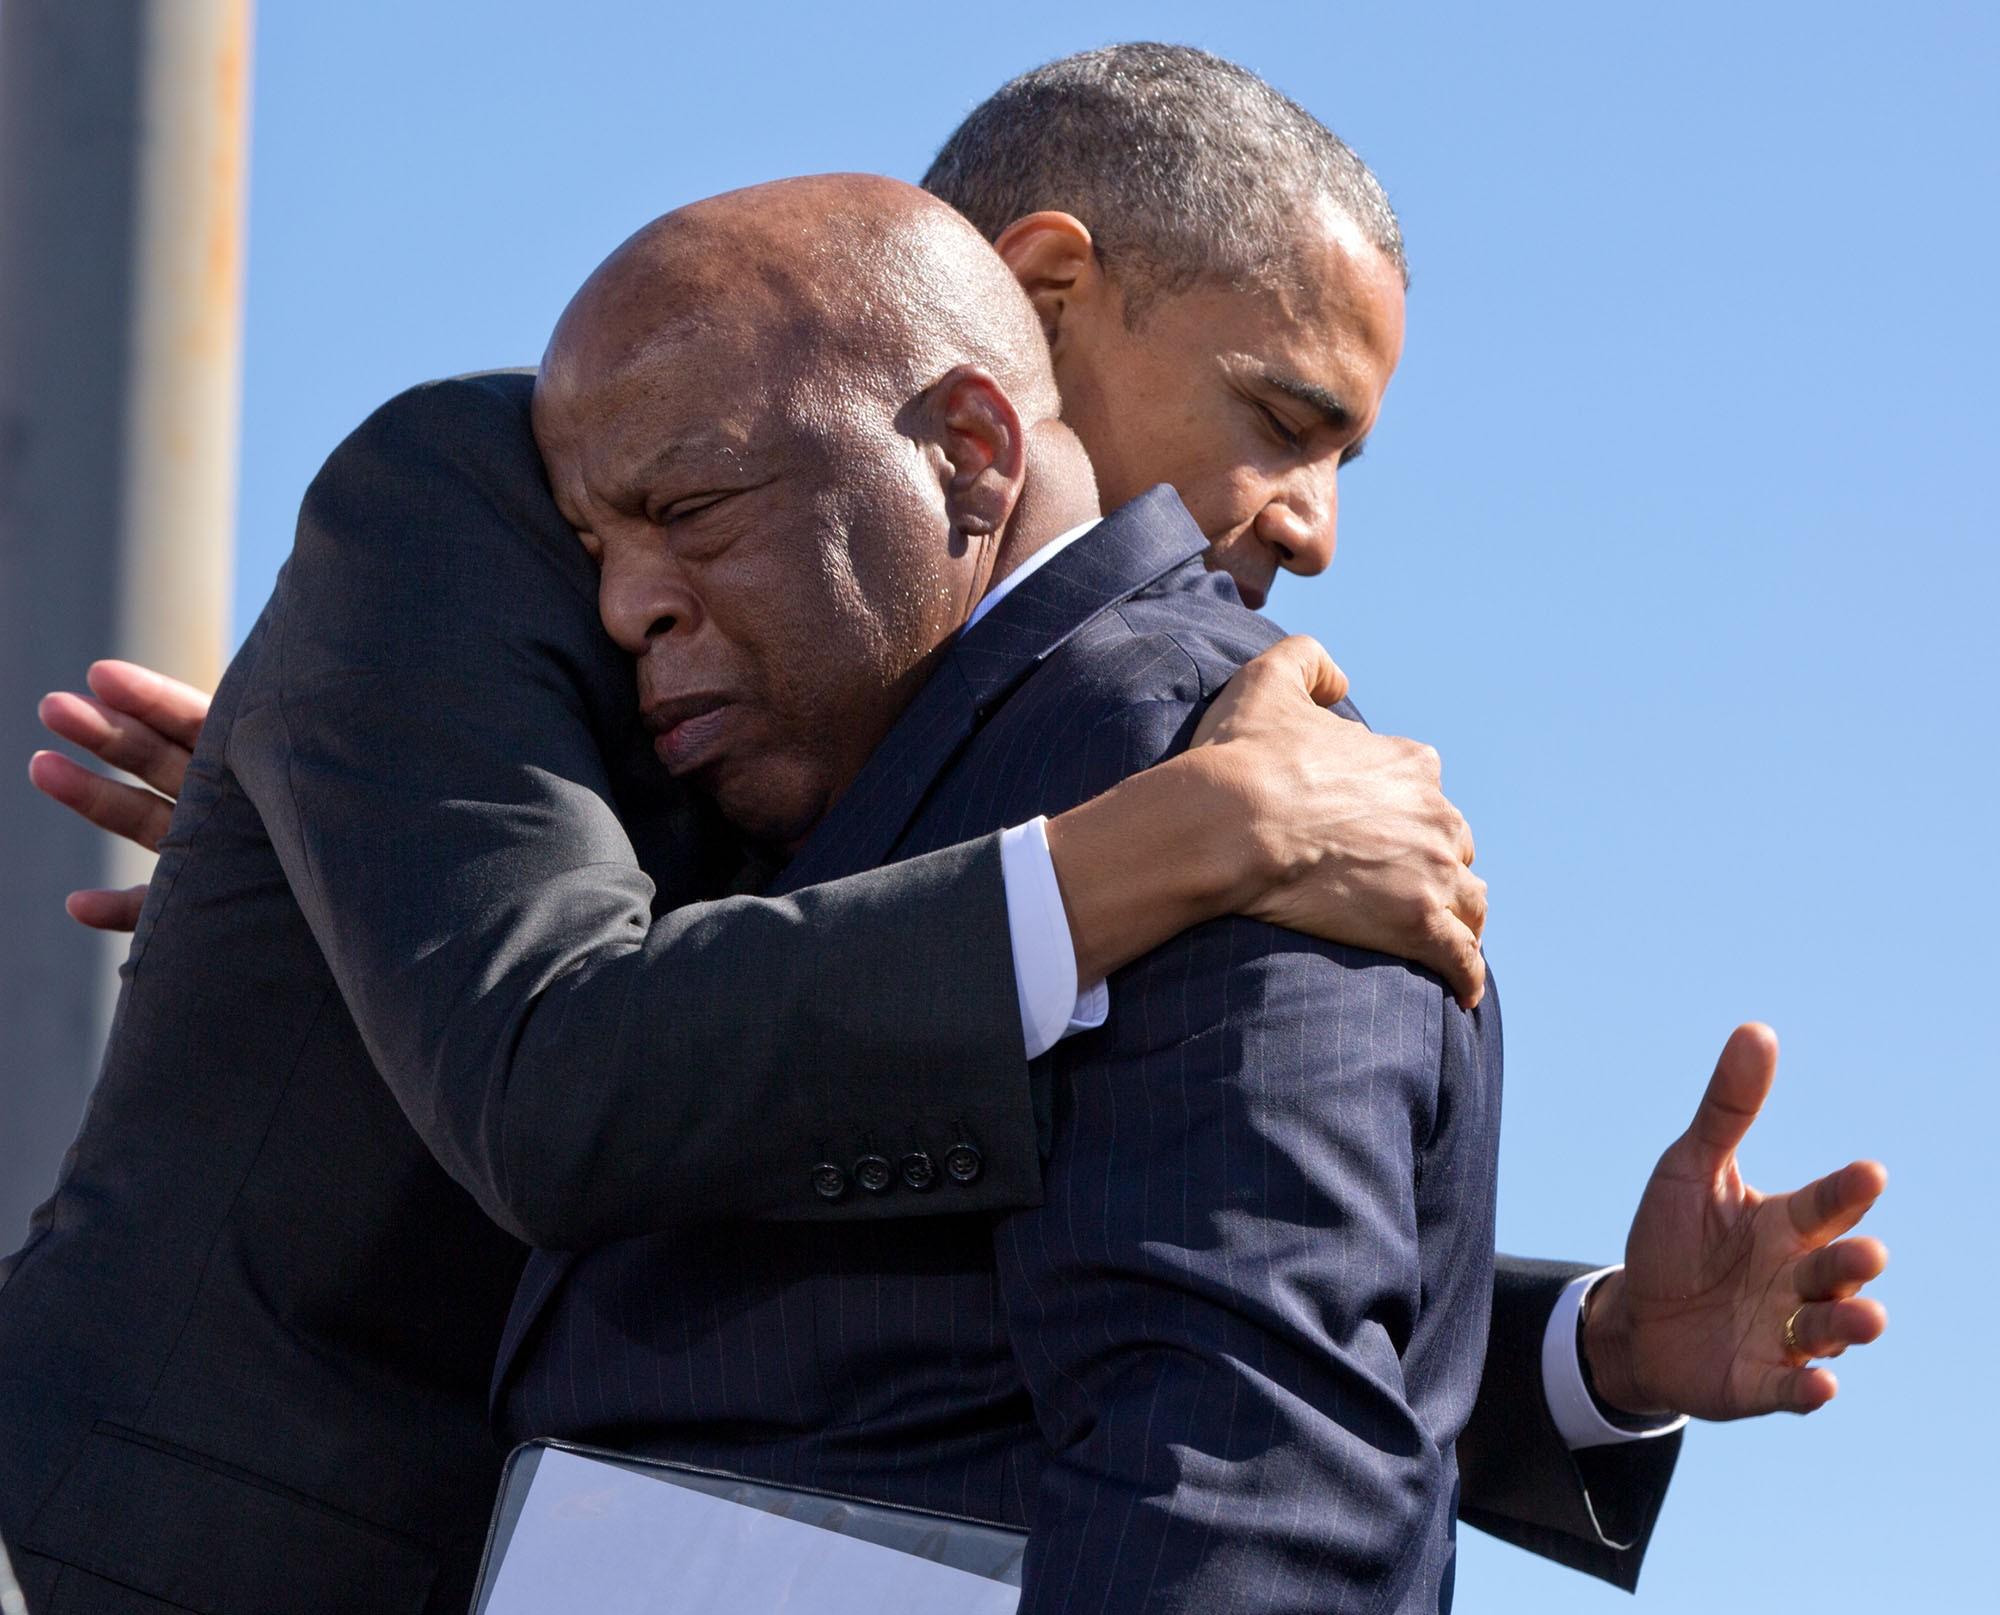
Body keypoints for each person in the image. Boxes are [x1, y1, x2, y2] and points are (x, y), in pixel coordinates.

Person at [23, 42, 1888, 1600]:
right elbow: (561, 1061)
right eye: (1280, 414)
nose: (1311, 524)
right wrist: (1155, 850)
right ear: (1041, 312)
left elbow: (1115, 1294)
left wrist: (1585, 1356)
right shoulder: (493, 509)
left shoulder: (1105, 732)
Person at [500, 171, 1504, 1614]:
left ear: (972, 446)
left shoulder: (1204, 758)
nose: (624, 606)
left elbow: (1241, 1481)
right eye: (601, 547)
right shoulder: (810, 764)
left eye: (695, 509)